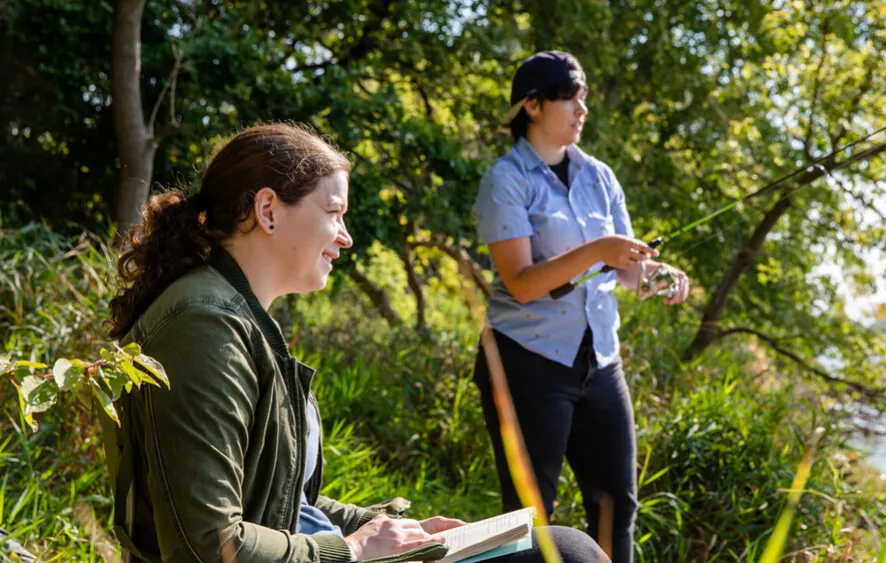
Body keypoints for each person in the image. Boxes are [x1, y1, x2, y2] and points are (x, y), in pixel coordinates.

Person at [101, 123, 608, 563]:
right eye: (334, 212)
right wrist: (358, 549)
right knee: (567, 554)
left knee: (563, 549)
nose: (345, 237)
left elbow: (287, 503)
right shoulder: (205, 324)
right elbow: (205, 546)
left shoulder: (236, 315)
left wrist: (393, 530)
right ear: (268, 211)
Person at [472, 52, 691, 563]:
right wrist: (598, 250)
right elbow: (522, 284)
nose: (581, 108)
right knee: (528, 517)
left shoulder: (600, 177)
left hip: (600, 363)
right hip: (526, 363)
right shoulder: (504, 180)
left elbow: (628, 267)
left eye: (584, 97)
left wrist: (662, 279)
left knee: (618, 503)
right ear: (531, 104)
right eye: (569, 96)